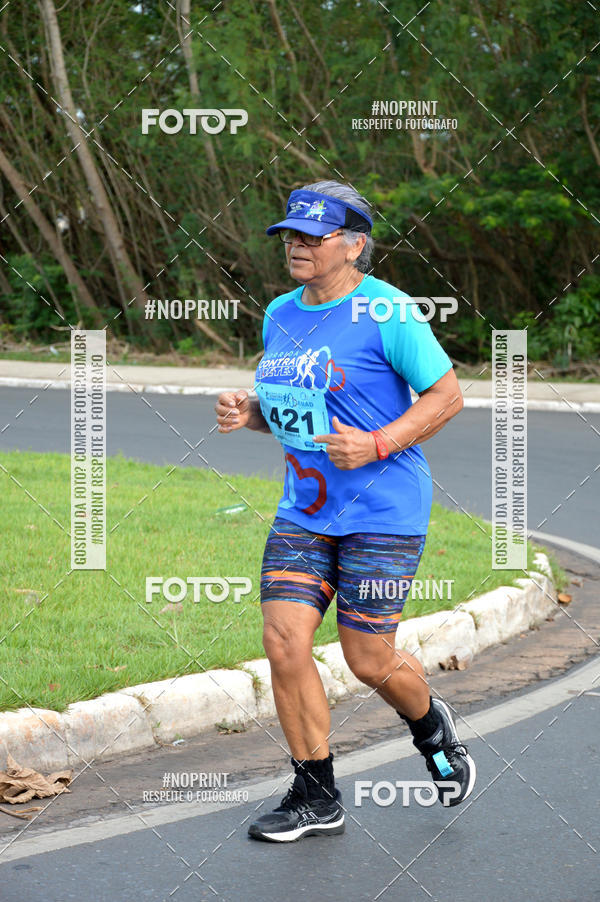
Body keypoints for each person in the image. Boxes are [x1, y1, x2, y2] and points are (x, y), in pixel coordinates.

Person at [215, 179, 476, 843]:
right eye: (290, 236)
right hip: (304, 510)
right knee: (283, 641)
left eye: (312, 236)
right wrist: (250, 414)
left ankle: (431, 728)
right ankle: (315, 793)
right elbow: (291, 412)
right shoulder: (281, 313)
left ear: (355, 245)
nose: (296, 246)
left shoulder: (387, 310)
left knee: (368, 659)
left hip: (384, 511)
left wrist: (379, 442)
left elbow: (446, 396)